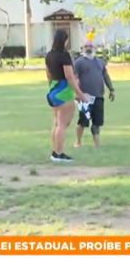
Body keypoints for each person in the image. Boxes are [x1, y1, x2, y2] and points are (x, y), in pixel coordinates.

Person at [45, 29, 87, 162]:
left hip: (54, 89)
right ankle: (59, 153)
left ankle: (55, 151)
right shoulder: (64, 56)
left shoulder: (49, 55)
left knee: (57, 123)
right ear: (65, 40)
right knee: (62, 124)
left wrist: (52, 89)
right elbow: (69, 76)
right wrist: (80, 93)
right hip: (64, 91)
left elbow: (48, 75)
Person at [74, 40, 115, 148]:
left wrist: (111, 89)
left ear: (95, 48)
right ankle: (78, 142)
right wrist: (77, 93)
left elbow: (105, 76)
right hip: (85, 97)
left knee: (97, 122)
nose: (88, 48)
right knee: (83, 121)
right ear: (82, 48)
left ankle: (97, 143)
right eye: (86, 46)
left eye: (91, 46)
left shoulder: (99, 62)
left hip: (98, 96)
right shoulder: (78, 62)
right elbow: (73, 78)